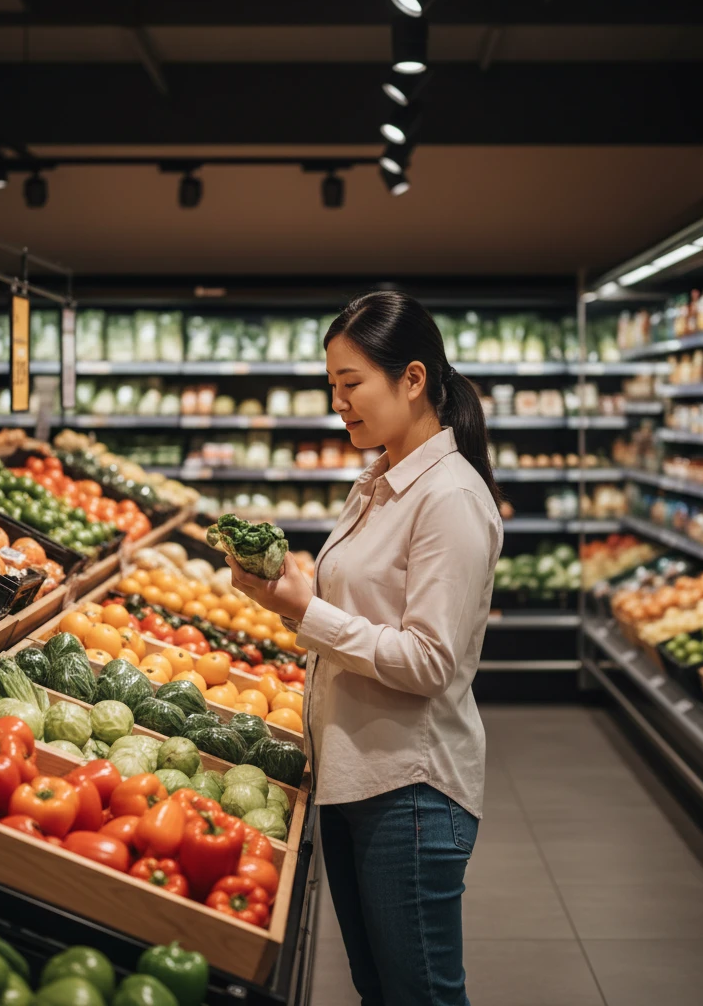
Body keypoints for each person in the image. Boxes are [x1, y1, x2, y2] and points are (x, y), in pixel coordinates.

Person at [225, 290, 503, 1006]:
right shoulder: (380, 479)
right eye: (332, 389)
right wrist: (285, 591)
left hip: (408, 790)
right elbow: (366, 605)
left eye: (352, 386)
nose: (340, 404)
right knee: (382, 991)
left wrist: (308, 612)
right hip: (354, 776)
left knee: (423, 995)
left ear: (412, 379)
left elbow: (429, 662)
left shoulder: (449, 498)